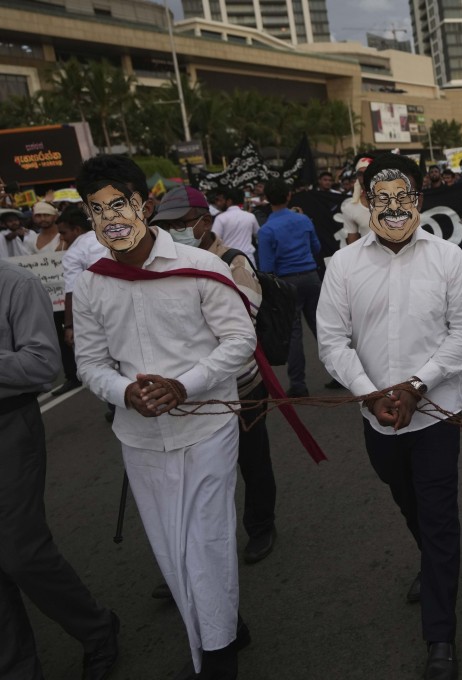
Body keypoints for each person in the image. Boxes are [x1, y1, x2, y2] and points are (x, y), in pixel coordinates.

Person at [73, 155, 256, 678]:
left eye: (120, 204)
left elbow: (241, 340)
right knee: (171, 547)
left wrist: (185, 383)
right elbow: (89, 363)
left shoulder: (201, 266)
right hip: (141, 436)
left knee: (207, 537)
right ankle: (227, 625)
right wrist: (124, 391)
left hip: (207, 424)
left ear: (145, 205)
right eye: (97, 209)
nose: (110, 218)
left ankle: (218, 657)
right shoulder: (89, 284)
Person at [317, 153, 462, 680]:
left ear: (419, 199)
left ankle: (440, 638)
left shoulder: (448, 258)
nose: (392, 207)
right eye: (380, 197)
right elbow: (332, 342)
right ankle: (433, 562)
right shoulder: (343, 266)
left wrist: (416, 386)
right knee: (406, 500)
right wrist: (369, 394)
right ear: (364, 201)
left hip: (435, 414)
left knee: (438, 517)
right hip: (377, 420)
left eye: (403, 196)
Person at [0, 257, 121, 680]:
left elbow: (43, 364)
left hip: (9, 424)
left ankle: (97, 628)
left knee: (20, 552)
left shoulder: (14, 283)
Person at [150, 186, 278, 564]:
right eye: (166, 225)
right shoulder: (159, 265)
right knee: (193, 476)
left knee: (253, 462)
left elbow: (241, 325)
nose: (173, 231)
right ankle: (193, 553)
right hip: (187, 391)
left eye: (181, 224)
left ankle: (261, 527)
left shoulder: (234, 261)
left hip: (240, 384)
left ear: (205, 221)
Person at [257, 178, 321, 398]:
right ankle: (342, 373)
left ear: (267, 199)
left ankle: (298, 384)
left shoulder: (266, 230)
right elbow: (316, 247)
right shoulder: (303, 220)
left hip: (287, 282)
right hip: (311, 277)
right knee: (322, 328)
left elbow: (266, 267)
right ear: (288, 196)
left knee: (293, 333)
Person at [48, 206, 93, 395]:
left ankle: (116, 406)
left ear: (76, 230)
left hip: (94, 314)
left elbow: (71, 292)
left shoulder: (73, 253)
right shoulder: (104, 238)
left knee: (98, 363)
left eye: (63, 233)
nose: (62, 238)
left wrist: (69, 326)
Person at [211, 187, 259, 260]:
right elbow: (258, 235)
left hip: (229, 259)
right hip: (248, 258)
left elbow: (214, 240)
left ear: (229, 201)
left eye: (223, 200)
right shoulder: (250, 216)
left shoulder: (220, 218)